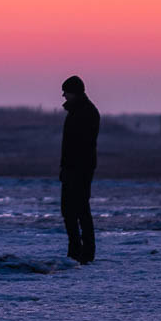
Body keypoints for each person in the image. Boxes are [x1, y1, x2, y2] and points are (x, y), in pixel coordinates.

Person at [59, 75, 100, 264]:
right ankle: (76, 250)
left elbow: (82, 144)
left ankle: (85, 252)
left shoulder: (86, 112)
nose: (63, 96)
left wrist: (73, 167)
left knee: (80, 209)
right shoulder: (77, 112)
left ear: (74, 92)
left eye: (66, 92)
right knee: (69, 210)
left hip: (79, 170)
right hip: (72, 169)